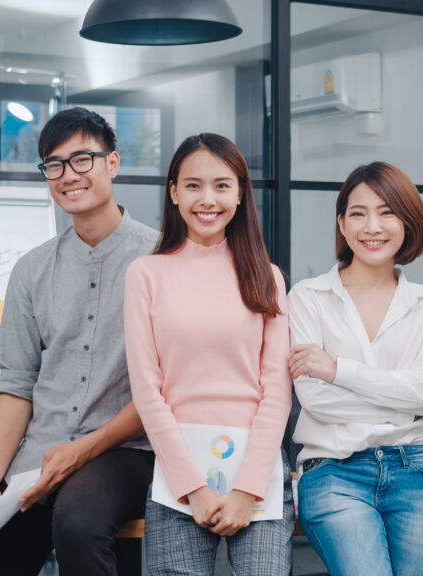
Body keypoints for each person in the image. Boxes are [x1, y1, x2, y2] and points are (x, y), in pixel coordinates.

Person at [0, 107, 158, 576]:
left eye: (82, 159)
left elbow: (164, 387)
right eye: (54, 164)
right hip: (41, 456)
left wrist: (83, 450)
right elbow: (17, 384)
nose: (68, 175)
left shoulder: (160, 259)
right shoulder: (31, 270)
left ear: (112, 163)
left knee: (78, 523)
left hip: (125, 451)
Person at [124, 133, 294, 576]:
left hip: (257, 474)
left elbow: (276, 391)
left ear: (240, 194)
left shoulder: (267, 276)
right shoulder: (146, 274)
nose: (208, 199)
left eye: (222, 185)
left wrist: (247, 489)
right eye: (194, 185)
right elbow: (148, 391)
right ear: (174, 192)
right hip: (180, 474)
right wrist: (192, 488)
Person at [290, 161, 423, 576]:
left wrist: (337, 369)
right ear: (342, 225)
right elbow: (316, 398)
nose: (372, 226)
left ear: (408, 222)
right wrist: (402, 403)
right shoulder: (309, 297)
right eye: (358, 214)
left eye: (387, 212)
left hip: (417, 468)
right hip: (333, 471)